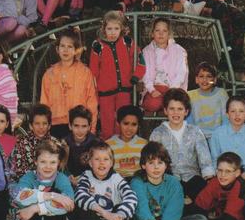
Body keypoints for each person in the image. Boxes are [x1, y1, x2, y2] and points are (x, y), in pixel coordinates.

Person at [118, 141, 208, 220]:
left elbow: (174, 211)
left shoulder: (173, 182)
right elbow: (141, 210)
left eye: (160, 162)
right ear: (143, 165)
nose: (156, 167)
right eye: (151, 163)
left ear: (166, 165)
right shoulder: (137, 182)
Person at [67, 142, 137, 220]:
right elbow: (80, 194)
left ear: (111, 163)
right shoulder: (86, 176)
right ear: (90, 163)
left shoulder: (117, 179)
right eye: (97, 159)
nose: (102, 163)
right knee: (79, 207)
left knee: (124, 210)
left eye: (106, 159)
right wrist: (103, 212)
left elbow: (131, 197)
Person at [11, 139, 74, 220]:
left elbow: (69, 204)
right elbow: (18, 195)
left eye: (52, 162)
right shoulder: (29, 177)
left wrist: (36, 208)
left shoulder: (61, 179)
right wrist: (49, 196)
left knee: (43, 207)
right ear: (36, 162)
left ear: (59, 163)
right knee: (31, 203)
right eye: (43, 162)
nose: (47, 166)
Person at [149, 88, 214, 203]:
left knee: (203, 196)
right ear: (165, 110)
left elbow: (205, 161)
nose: (176, 113)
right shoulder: (157, 133)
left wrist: (209, 179)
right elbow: (152, 160)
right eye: (172, 109)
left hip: (192, 178)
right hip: (167, 178)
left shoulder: (195, 131)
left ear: (186, 111)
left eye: (180, 109)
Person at [89, 11, 145, 140]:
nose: (113, 32)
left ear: (122, 29)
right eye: (109, 29)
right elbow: (93, 70)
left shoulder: (128, 42)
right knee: (107, 120)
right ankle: (107, 144)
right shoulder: (97, 45)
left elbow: (140, 60)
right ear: (104, 29)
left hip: (124, 90)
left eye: (116, 28)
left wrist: (136, 75)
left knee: (123, 120)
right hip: (105, 92)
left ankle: (122, 145)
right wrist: (94, 90)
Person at [41, 28, 98, 139]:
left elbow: (92, 103)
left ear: (76, 50)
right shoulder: (49, 74)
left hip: (79, 126)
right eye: (62, 46)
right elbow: (44, 105)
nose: (65, 50)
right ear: (57, 49)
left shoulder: (85, 72)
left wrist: (92, 130)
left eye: (70, 47)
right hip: (55, 126)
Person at [195, 152, 245, 220]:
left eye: (228, 171)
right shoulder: (214, 182)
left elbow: (230, 217)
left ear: (237, 173)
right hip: (217, 218)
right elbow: (199, 205)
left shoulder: (239, 186)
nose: (222, 175)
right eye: (220, 170)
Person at [209, 96, 245, 182]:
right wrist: (223, 174)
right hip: (223, 175)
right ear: (227, 114)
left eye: (241, 111)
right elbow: (214, 160)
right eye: (233, 111)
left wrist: (244, 175)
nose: (237, 115)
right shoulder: (217, 134)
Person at [141, 17, 188, 112]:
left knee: (174, 105)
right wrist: (152, 90)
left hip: (173, 88)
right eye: (157, 30)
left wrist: (172, 91)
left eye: (164, 31)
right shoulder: (146, 51)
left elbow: (181, 72)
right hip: (155, 88)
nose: (161, 33)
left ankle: (168, 111)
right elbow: (145, 73)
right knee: (152, 104)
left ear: (169, 34)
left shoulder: (179, 50)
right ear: (152, 33)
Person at [9, 103, 58, 182]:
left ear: (49, 126)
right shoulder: (21, 142)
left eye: (44, 123)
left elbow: (60, 169)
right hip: (27, 183)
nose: (41, 127)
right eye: (37, 123)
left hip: (52, 182)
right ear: (31, 126)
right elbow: (19, 171)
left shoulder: (55, 143)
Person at [186, 62, 229, 140]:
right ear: (196, 79)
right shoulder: (190, 95)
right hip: (197, 137)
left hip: (218, 137)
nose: (205, 80)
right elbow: (189, 122)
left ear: (214, 80)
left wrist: (222, 136)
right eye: (201, 76)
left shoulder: (221, 93)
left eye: (209, 76)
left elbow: (226, 119)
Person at [106, 105, 148, 179]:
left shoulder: (144, 144)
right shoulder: (108, 145)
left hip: (138, 180)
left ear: (138, 125)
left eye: (134, 124)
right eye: (126, 123)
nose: (129, 128)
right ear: (118, 123)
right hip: (116, 181)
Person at [63, 105, 102, 185]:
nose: (80, 130)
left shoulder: (96, 144)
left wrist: (84, 177)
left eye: (84, 126)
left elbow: (101, 166)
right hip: (68, 181)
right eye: (76, 126)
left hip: (91, 181)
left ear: (89, 127)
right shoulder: (64, 143)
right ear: (70, 126)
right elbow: (60, 166)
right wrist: (68, 176)